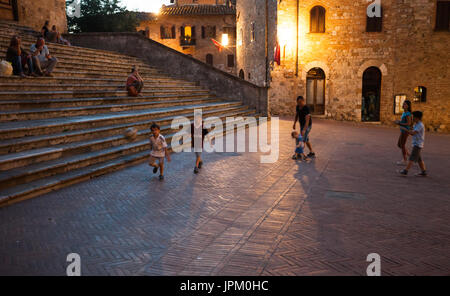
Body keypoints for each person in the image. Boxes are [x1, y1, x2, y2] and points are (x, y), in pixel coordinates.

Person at [399, 111, 427, 177]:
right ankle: (423, 171)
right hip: (416, 143)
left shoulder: (420, 125)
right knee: (419, 159)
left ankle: (406, 170)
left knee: (411, 158)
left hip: (418, 144)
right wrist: (403, 126)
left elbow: (413, 133)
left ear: (417, 118)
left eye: (413, 117)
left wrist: (405, 129)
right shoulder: (416, 124)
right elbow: (412, 130)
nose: (412, 118)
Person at [394, 100, 412, 165]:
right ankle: (410, 156)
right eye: (403, 104)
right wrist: (399, 121)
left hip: (405, 131)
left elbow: (408, 123)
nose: (403, 105)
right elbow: (403, 122)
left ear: (408, 106)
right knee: (399, 145)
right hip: (402, 130)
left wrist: (399, 123)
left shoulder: (408, 114)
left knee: (402, 145)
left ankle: (405, 160)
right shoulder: (404, 113)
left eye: (404, 104)